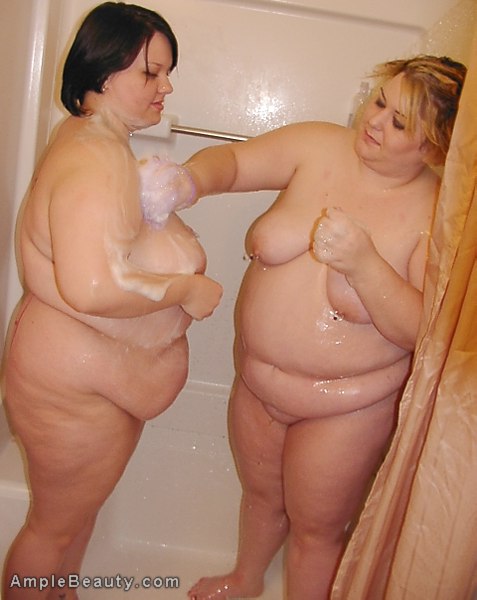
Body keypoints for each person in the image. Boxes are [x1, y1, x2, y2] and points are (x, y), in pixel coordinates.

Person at [175, 55, 465, 599]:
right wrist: (187, 180)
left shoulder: (435, 214)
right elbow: (233, 163)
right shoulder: (317, 146)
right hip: (257, 384)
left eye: (399, 122)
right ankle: (246, 578)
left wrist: (364, 264)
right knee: (261, 497)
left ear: (433, 148)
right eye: (380, 101)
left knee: (316, 531)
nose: (374, 120)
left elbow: (423, 332)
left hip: (345, 408)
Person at [1, 3, 221, 599]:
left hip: (82, 376)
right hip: (71, 383)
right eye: (151, 72)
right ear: (102, 70)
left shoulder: (90, 139)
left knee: (70, 521)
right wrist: (186, 289)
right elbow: (92, 286)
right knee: (52, 529)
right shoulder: (96, 158)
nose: (166, 87)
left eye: (167, 72)